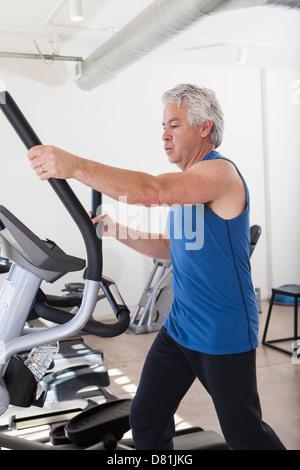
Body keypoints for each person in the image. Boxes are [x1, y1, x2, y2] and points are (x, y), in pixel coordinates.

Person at [28, 83, 285, 450]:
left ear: (204, 127)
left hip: (222, 329)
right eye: (163, 126)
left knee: (244, 434)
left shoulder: (220, 175)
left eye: (174, 125)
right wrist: (115, 229)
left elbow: (153, 192)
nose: (164, 135)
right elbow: (171, 248)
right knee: (147, 417)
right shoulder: (189, 186)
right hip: (181, 326)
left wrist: (76, 167)